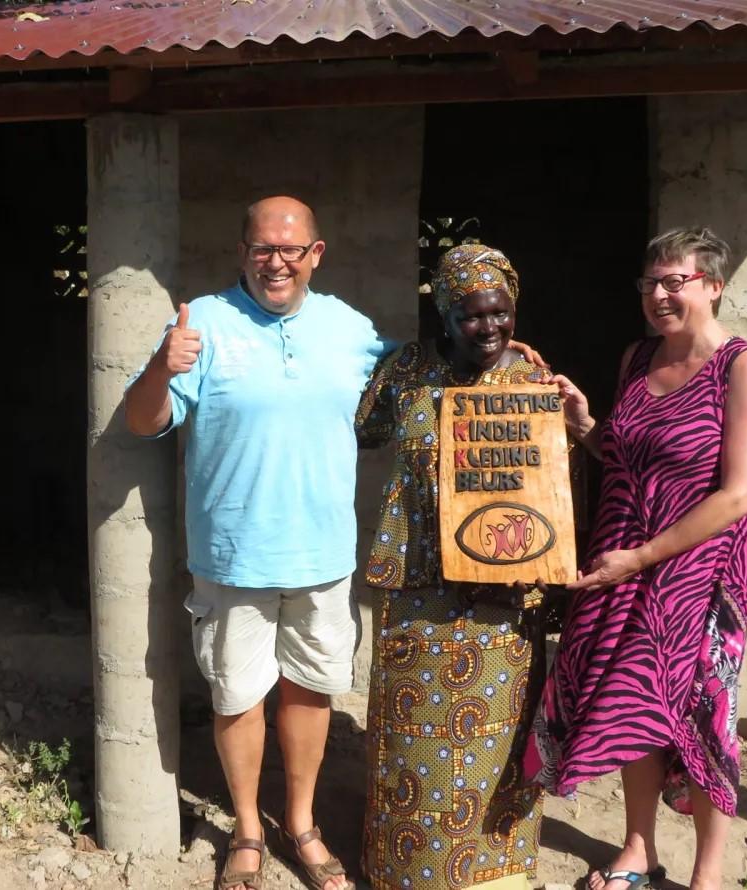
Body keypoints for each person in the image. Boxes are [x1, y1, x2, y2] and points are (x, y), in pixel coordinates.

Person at [124, 196, 386, 890]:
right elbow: (144, 422)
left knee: (309, 692)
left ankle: (300, 823)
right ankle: (245, 827)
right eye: (262, 249)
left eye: (291, 250)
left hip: (323, 556)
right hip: (234, 552)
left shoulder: (351, 329)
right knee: (237, 695)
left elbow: (413, 391)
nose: (277, 262)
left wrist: (507, 361)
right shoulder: (201, 322)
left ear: (315, 254)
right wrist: (161, 365)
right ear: (242, 252)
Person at [527, 227, 747, 890]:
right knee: (630, 699)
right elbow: (626, 455)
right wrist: (586, 426)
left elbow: (738, 494)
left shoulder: (742, 367)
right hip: (626, 561)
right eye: (650, 283)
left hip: (698, 575)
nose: (660, 295)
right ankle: (639, 848)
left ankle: (709, 873)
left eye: (676, 281)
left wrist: (641, 558)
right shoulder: (637, 360)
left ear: (713, 286)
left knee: (699, 710)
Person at [355, 244, 554, 890]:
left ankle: (492, 869)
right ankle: (405, 867)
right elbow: (365, 429)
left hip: (504, 591)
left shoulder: (528, 379)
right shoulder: (408, 370)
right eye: (471, 317)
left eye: (501, 314)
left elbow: (550, 483)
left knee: (497, 737)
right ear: (443, 314)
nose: (489, 328)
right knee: (411, 732)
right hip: (418, 583)